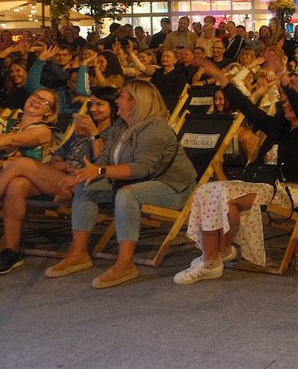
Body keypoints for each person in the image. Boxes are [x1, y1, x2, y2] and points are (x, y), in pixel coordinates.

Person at [172, 60, 298, 284]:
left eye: (291, 102)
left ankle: (211, 262)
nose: (286, 104)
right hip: (259, 183)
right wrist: (224, 82)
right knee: (207, 191)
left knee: (221, 193)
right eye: (285, 102)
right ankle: (218, 254)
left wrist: (283, 75)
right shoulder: (277, 127)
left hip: (286, 190)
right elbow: (248, 108)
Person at [45, 80, 197, 288]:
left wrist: (99, 171)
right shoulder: (121, 125)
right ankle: (78, 253)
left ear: (136, 101)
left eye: (122, 96)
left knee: (126, 194)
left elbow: (143, 168)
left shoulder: (155, 128)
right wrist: (83, 175)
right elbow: (104, 158)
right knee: (87, 186)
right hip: (137, 181)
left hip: (171, 186)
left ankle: (125, 263)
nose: (116, 100)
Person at [0, 88, 118, 274]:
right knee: (17, 185)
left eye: (100, 105)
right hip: (60, 177)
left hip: (83, 182)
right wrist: (59, 162)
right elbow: (60, 152)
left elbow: (103, 162)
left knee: (23, 164)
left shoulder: (114, 131)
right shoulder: (81, 129)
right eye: (91, 104)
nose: (93, 109)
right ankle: (12, 250)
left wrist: (94, 133)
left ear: (113, 108)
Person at [0, 88, 60, 164]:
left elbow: (12, 141)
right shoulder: (10, 120)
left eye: (44, 101)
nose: (37, 101)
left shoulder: (44, 130)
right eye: (35, 96)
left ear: (49, 112)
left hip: (21, 172)